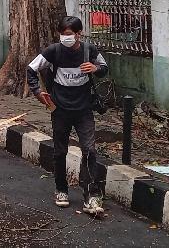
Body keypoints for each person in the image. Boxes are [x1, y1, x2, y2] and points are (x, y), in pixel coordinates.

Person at [26, 15, 109, 216]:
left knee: (89, 150)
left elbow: (104, 69)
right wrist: (38, 92)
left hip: (84, 109)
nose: (66, 38)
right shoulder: (53, 51)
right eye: (62, 34)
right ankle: (61, 189)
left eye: (69, 34)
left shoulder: (89, 51)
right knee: (60, 151)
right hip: (60, 109)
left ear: (79, 34)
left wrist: (95, 68)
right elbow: (31, 69)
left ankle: (91, 195)